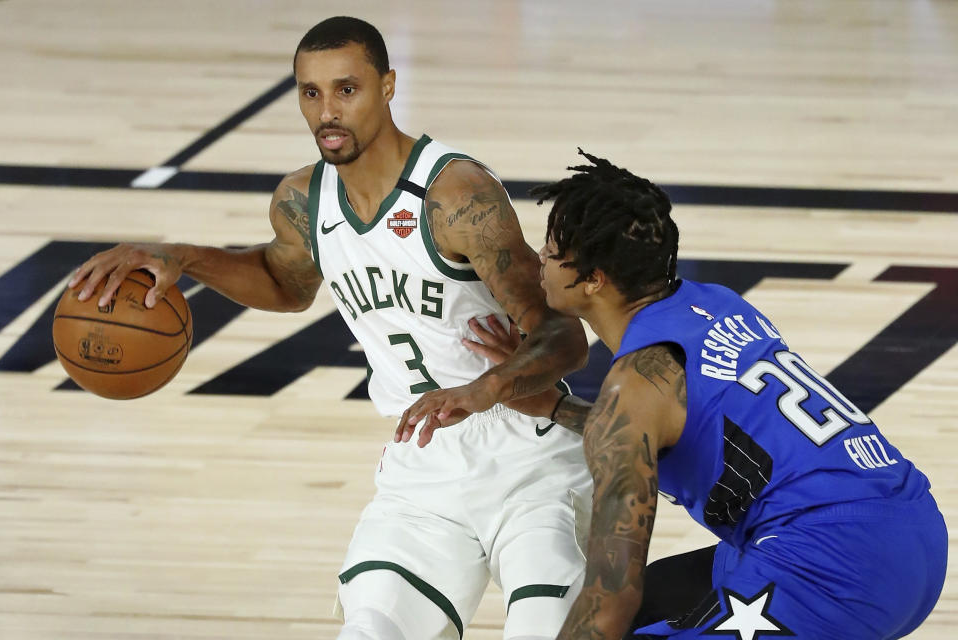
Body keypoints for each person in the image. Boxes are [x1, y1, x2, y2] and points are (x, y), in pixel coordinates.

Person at [67, 17, 593, 640]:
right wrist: (184, 257)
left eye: (347, 90)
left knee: (544, 630)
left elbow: (564, 338)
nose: (327, 112)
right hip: (422, 466)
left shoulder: (456, 196)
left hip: (526, 454)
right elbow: (286, 284)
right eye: (310, 93)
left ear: (389, 86)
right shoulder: (303, 200)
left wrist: (485, 388)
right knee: (369, 631)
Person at [442, 151, 948, 639]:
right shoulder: (717, 304)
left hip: (838, 566)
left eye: (552, 252)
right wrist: (554, 405)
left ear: (593, 280)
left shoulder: (635, 387)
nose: (539, 264)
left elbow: (610, 597)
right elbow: (680, 425)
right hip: (913, 529)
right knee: (656, 602)